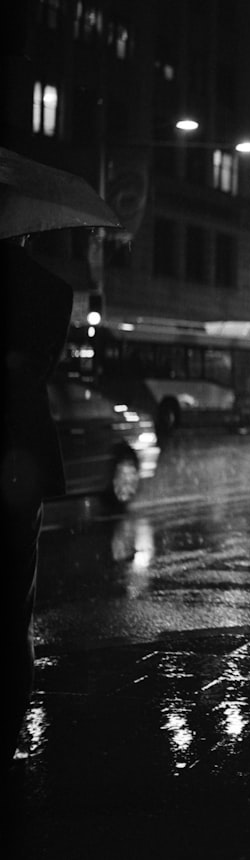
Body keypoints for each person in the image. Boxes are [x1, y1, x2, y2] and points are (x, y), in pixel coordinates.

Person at [1, 238, 73, 764]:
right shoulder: (52, 292)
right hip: (21, 451)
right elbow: (35, 373)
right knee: (14, 597)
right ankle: (7, 726)